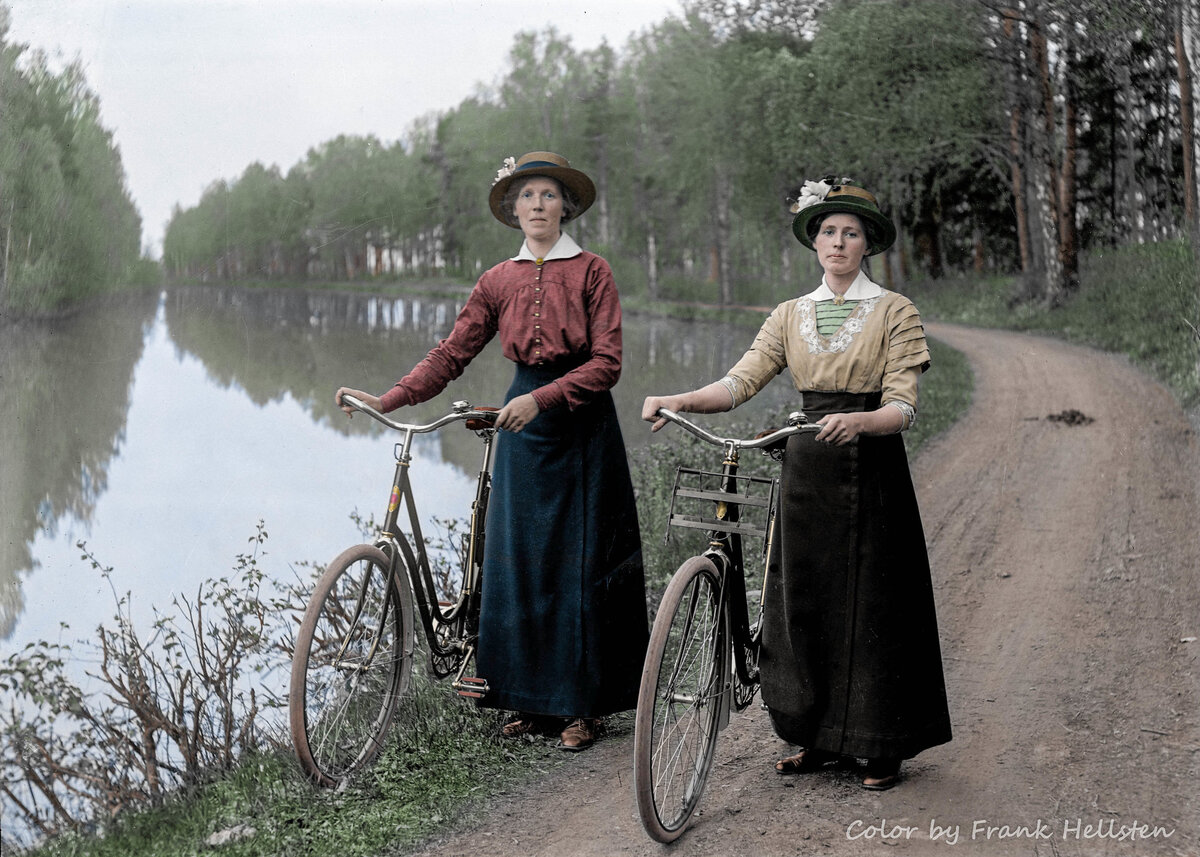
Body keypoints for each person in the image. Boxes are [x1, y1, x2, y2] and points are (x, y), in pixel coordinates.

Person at [641, 177, 951, 790]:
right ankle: (812, 737)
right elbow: (739, 384)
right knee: (801, 598)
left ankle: (876, 746)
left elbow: (903, 408)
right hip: (805, 466)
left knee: (871, 604)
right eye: (828, 231)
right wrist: (679, 398)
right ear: (814, 242)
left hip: (873, 468)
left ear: (868, 244)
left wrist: (861, 421)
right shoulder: (789, 315)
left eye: (851, 232)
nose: (838, 242)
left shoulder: (895, 312)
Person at [336, 151, 648, 751]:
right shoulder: (497, 280)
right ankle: (528, 701)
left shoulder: (592, 271)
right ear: (512, 210)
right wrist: (390, 397)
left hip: (580, 427)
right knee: (517, 561)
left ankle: (581, 706)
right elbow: (451, 355)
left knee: (577, 564)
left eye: (549, 195)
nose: (537, 205)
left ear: (566, 206)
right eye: (526, 196)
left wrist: (544, 400)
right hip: (522, 429)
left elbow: (607, 364)